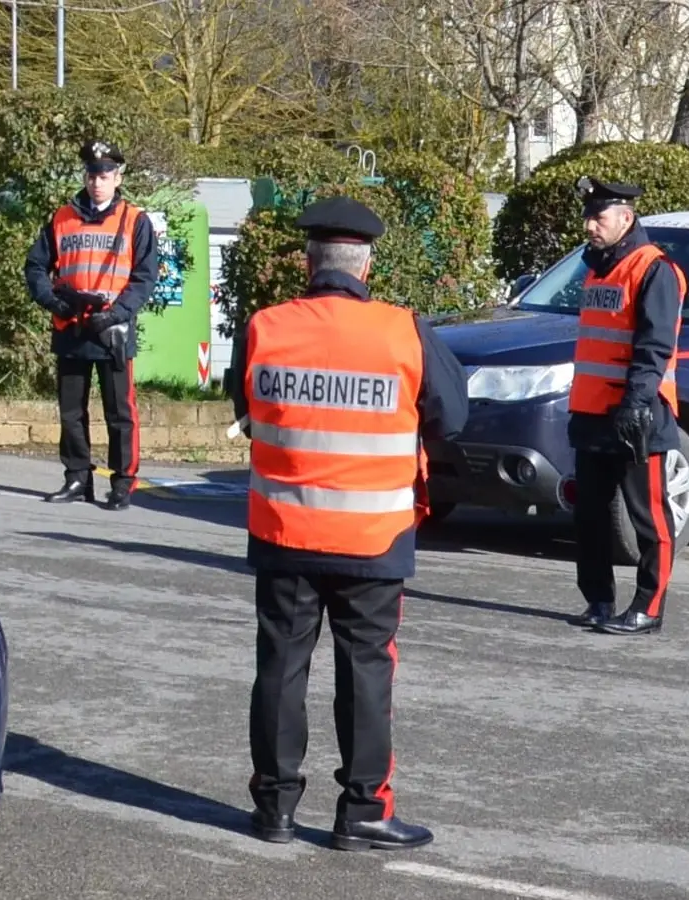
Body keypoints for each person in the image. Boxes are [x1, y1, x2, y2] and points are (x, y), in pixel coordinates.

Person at [226, 194, 468, 852]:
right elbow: (455, 416)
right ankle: (362, 811)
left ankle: (273, 808)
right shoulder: (403, 330)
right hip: (372, 538)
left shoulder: (265, 327)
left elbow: (244, 405)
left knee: (280, 668)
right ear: (367, 265)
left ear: (310, 262)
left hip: (283, 532)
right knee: (365, 672)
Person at [564, 175, 688, 637]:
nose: (589, 227)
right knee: (590, 516)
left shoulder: (654, 269)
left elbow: (655, 347)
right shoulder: (597, 267)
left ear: (625, 218)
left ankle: (648, 607)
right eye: (588, 217)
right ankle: (598, 599)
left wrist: (636, 404)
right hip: (594, 414)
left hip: (638, 416)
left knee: (648, 517)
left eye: (598, 218)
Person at [24, 138, 158, 510]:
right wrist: (53, 301)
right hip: (71, 325)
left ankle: (122, 482)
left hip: (112, 329)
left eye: (105, 174)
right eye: (92, 173)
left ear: (118, 176)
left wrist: (116, 313)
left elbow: (145, 277)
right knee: (70, 411)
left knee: (120, 411)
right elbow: (36, 266)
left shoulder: (135, 220)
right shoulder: (61, 217)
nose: (97, 181)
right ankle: (77, 477)